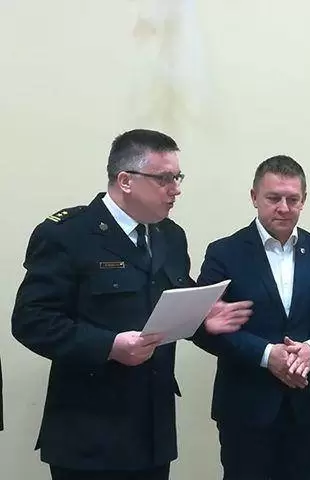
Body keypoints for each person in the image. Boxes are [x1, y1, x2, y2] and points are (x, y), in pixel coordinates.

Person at [11, 129, 252, 480]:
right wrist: (109, 346)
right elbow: (31, 320)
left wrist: (202, 320)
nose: (176, 189)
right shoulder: (68, 234)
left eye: (178, 177)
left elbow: (168, 305)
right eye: (164, 178)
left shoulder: (170, 235)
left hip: (151, 429)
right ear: (126, 180)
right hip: (88, 433)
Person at [193, 155, 310, 480]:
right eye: (273, 198)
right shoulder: (224, 253)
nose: (283, 208)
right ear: (254, 197)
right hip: (246, 407)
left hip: (306, 405)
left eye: (292, 199)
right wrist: (268, 355)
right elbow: (205, 326)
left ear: (303, 200)